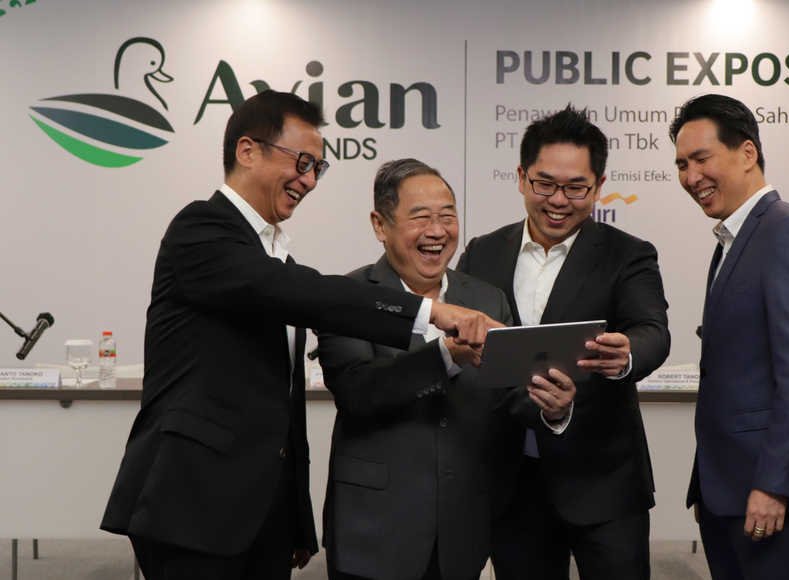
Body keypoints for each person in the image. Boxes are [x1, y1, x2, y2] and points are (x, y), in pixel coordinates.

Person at [100, 91, 500, 580]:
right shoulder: (200, 230)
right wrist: (431, 312)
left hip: (261, 517)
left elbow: (281, 407)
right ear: (248, 151)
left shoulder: (276, 258)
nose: (308, 180)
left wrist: (295, 520)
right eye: (302, 162)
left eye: (317, 168)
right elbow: (314, 296)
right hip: (193, 506)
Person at [318, 158, 575, 580]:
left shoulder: (488, 300)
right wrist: (446, 356)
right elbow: (358, 392)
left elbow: (511, 396)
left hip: (463, 529)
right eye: (421, 217)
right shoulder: (348, 296)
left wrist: (554, 408)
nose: (437, 231)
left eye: (447, 216)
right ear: (380, 225)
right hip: (374, 529)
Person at [457, 105, 671, 580]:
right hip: (510, 482)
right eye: (545, 184)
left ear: (598, 185)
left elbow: (652, 331)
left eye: (576, 188)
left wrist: (626, 354)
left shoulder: (628, 254)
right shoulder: (482, 253)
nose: (559, 200)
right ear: (521, 178)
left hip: (604, 482)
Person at [670, 93, 789, 579]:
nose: (691, 177)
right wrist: (707, 485)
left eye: (701, 159)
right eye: (681, 164)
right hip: (727, 490)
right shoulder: (733, 238)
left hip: (765, 492)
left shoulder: (786, 230)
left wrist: (773, 485)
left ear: (747, 152)